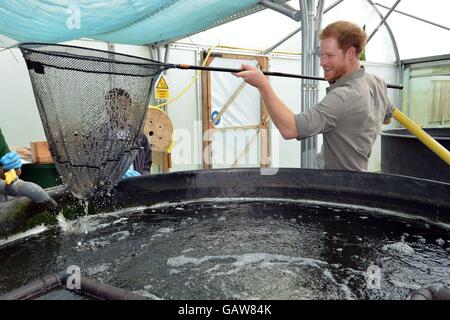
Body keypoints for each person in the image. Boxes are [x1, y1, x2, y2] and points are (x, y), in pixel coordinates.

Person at [233, 20, 394, 171]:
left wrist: (263, 85)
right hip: (359, 176)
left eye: (330, 55)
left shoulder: (342, 97)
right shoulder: (377, 82)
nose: (322, 62)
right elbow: (387, 117)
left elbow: (290, 129)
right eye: (321, 54)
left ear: (350, 53)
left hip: (335, 186)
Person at [104, 88, 151, 179]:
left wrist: (143, 179)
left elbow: (146, 165)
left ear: (129, 109)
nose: (120, 111)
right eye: (115, 107)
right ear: (108, 109)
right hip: (109, 188)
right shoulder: (100, 136)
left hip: (135, 186)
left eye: (124, 107)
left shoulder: (140, 137)